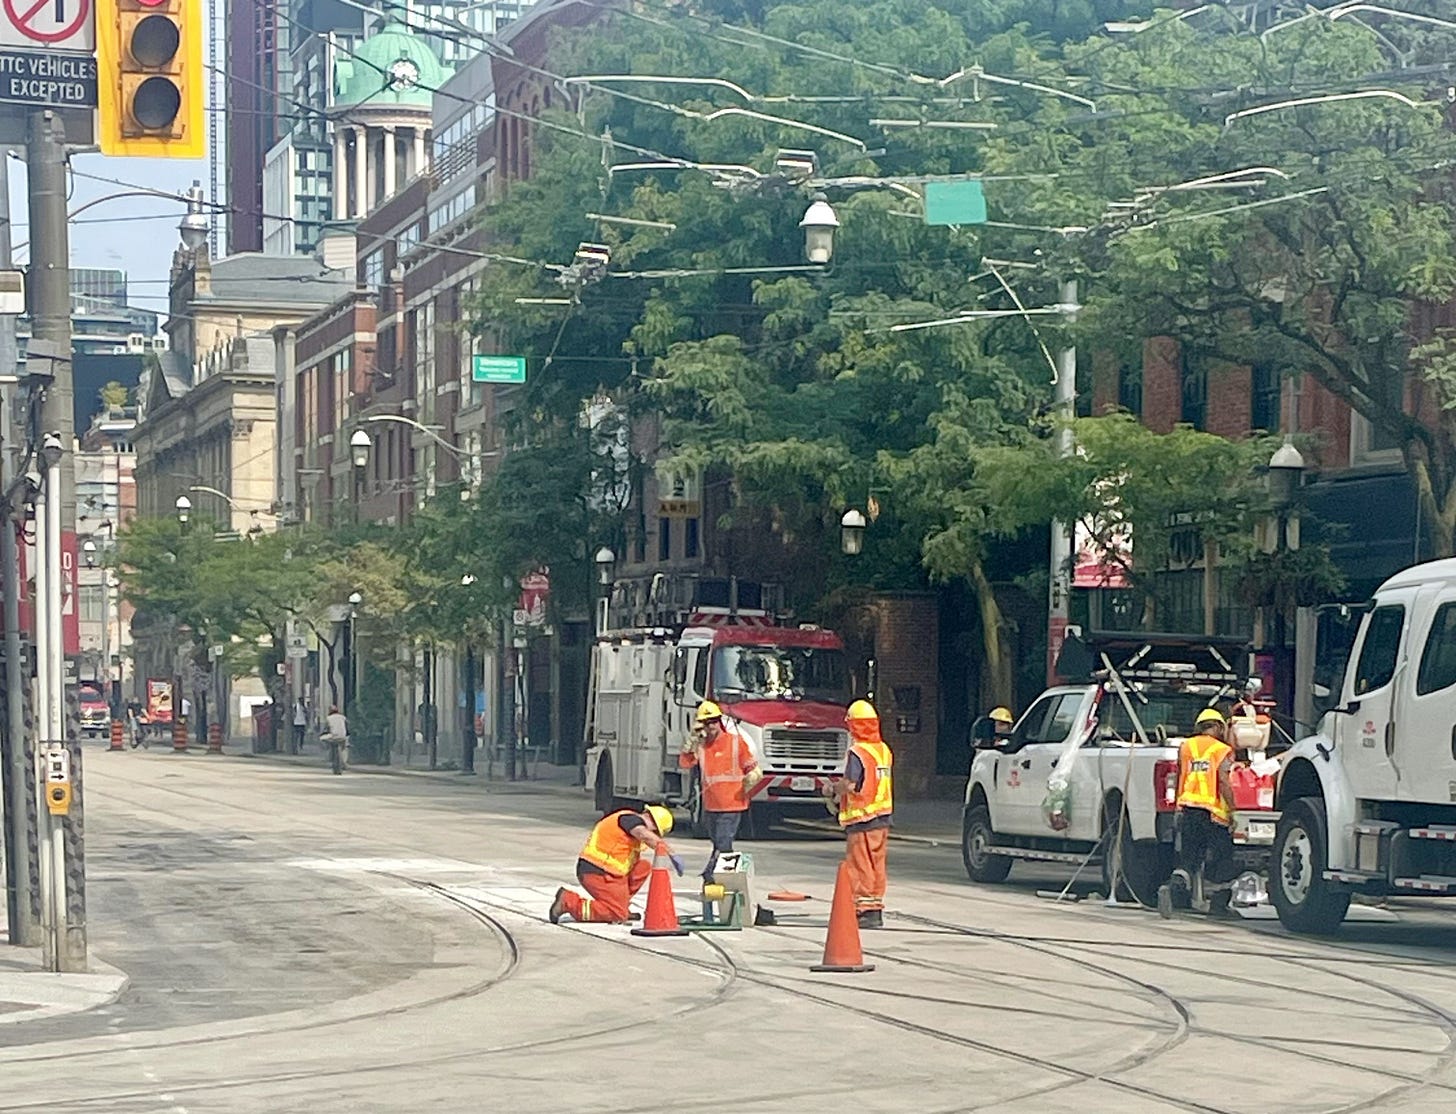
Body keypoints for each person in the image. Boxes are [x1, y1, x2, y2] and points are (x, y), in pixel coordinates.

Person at [549, 805, 682, 924]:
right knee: (617, 914)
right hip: (596, 871)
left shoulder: (631, 827)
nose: (654, 836)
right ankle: (568, 901)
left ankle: (621, 906)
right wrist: (669, 851)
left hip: (610, 874)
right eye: (656, 833)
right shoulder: (629, 819)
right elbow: (643, 834)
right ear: (652, 823)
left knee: (643, 867)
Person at [826, 699, 894, 929]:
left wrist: (832, 789)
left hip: (862, 818)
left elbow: (851, 784)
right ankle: (875, 908)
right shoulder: (883, 750)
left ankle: (863, 910)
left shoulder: (858, 752)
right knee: (877, 864)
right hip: (882, 817)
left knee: (860, 865)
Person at [679, 700, 761, 882]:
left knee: (723, 844)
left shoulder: (735, 742)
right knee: (718, 843)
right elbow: (685, 763)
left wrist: (752, 778)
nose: (711, 726)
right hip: (711, 806)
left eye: (714, 721)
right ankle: (718, 876)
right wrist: (691, 742)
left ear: (720, 722)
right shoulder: (701, 746)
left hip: (732, 804)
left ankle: (716, 877)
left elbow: (752, 768)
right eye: (706, 723)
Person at [1171, 707, 1237, 903]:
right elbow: (1223, 780)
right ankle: (1219, 901)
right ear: (1217, 726)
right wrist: (1234, 809)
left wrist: (1177, 805)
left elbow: (1179, 776)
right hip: (1212, 812)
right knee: (1222, 856)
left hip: (1188, 807)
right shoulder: (1221, 750)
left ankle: (1176, 887)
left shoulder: (1185, 746)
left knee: (1189, 855)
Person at [321, 705, 349, 775]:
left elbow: (326, 729)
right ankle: (344, 762)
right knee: (345, 748)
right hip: (343, 736)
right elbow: (347, 726)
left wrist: (323, 733)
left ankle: (327, 750)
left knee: (322, 738)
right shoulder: (343, 717)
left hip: (333, 737)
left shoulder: (328, 718)